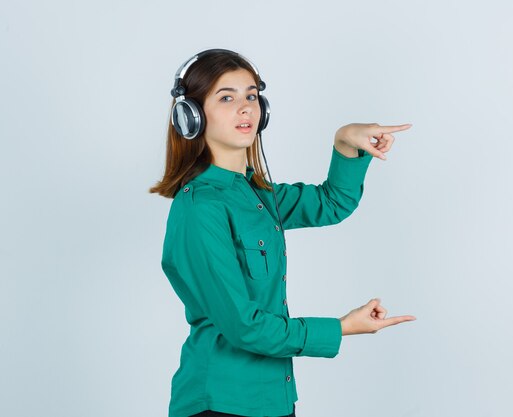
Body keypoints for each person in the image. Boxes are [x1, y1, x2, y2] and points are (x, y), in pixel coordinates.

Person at [150, 49, 416, 417]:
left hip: (275, 399)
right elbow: (245, 327)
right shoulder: (200, 209)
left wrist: (345, 142)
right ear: (191, 116)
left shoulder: (257, 194)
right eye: (226, 97)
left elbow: (332, 202)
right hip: (220, 402)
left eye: (251, 96)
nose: (245, 108)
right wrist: (340, 328)